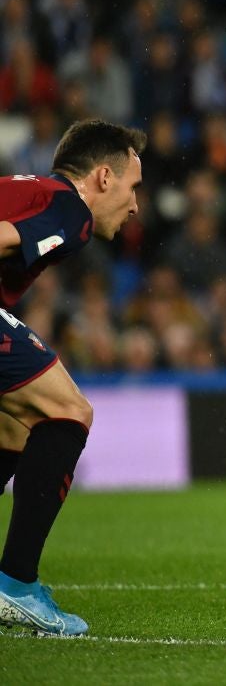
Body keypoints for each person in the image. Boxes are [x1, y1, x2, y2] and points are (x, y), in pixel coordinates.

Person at [0, 119, 145, 636]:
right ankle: (15, 585)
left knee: (15, 428)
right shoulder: (70, 209)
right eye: (132, 188)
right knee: (67, 410)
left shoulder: (36, 193)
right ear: (103, 178)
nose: (135, 206)